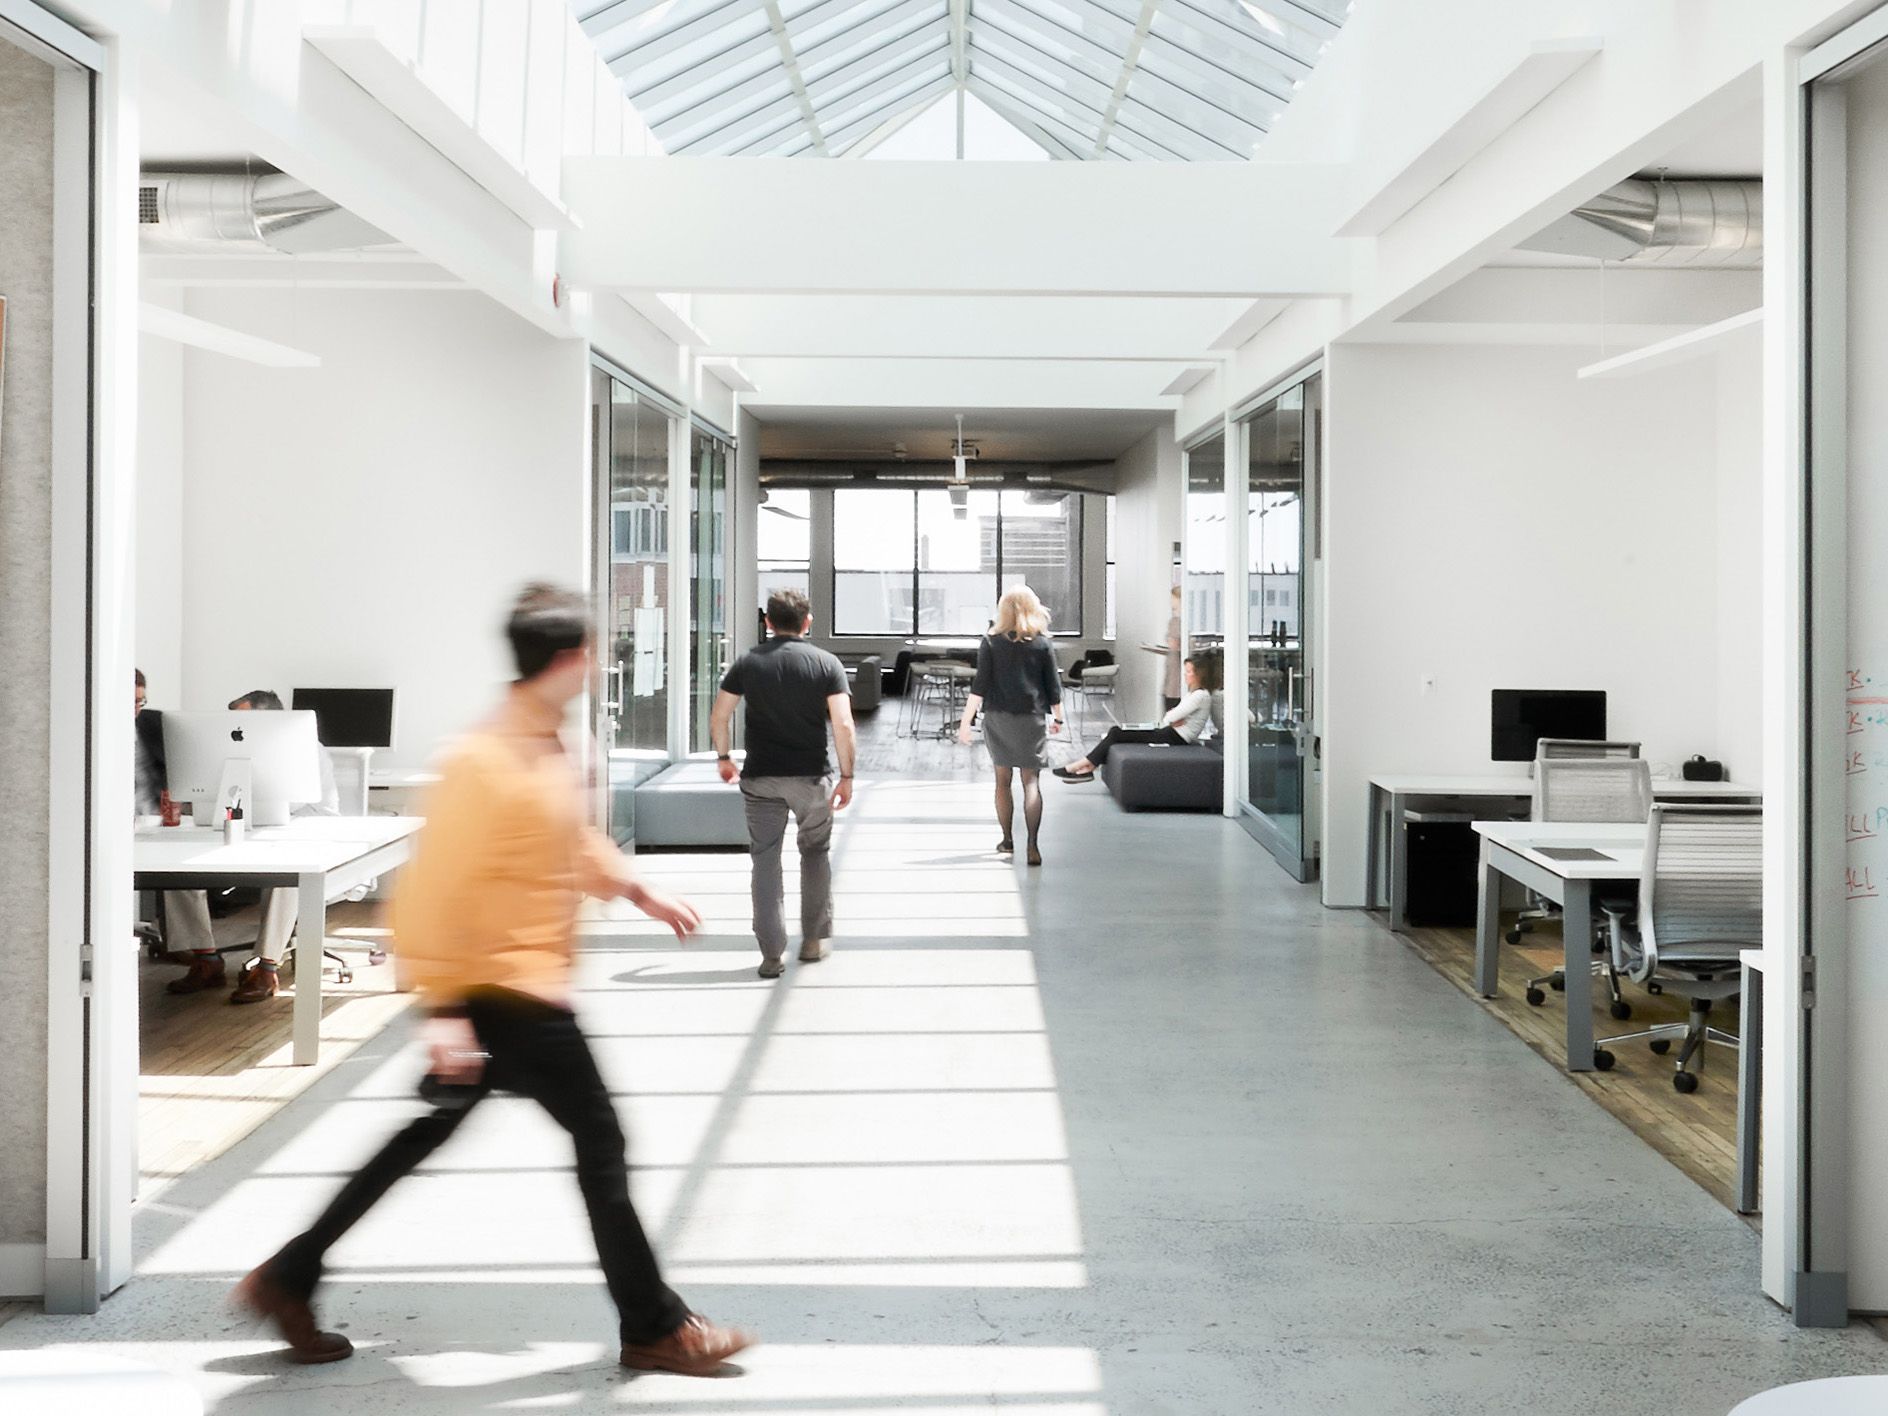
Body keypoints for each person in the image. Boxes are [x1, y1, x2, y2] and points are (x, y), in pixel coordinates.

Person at [236, 584, 751, 1376]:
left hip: (517, 988)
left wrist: (636, 888)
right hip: (504, 995)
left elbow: (566, 843)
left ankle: (289, 1275)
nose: (597, 665)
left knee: (420, 1138)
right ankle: (655, 1325)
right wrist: (443, 1009)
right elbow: (431, 889)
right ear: (569, 658)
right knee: (601, 1140)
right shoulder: (482, 757)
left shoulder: (544, 742)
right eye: (592, 652)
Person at [711, 588, 856, 980]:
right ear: (807, 622)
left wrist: (724, 758)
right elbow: (843, 724)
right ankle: (813, 940)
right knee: (815, 852)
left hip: (761, 778)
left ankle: (771, 954)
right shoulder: (826, 664)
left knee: (765, 859)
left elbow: (719, 716)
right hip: (811, 778)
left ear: (768, 622)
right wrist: (846, 775)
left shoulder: (748, 663)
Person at [216, 689, 342, 1005]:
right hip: (254, 830)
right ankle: (203, 957)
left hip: (308, 829)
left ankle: (267, 966)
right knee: (175, 870)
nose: (237, 730)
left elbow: (290, 801)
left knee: (289, 873)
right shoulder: (231, 750)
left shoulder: (305, 749)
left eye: (244, 722)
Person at [957, 587, 1063, 865]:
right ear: (1033, 608)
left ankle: (1007, 840)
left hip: (998, 718)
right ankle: (1033, 846)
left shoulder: (991, 642)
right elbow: (1054, 687)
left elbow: (979, 686)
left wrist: (965, 722)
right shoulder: (1041, 643)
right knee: (1031, 783)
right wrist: (1059, 718)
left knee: (1002, 782)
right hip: (1032, 718)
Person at [135, 669, 221, 982]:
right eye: (129, 701)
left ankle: (205, 957)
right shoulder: (89, 728)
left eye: (141, 702)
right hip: (109, 823)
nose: (135, 709)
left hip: (160, 818)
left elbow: (188, 768)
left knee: (183, 871)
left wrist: (184, 804)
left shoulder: (155, 723)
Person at [1054, 654, 1216, 782]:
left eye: (1189, 672)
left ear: (1199, 675)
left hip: (1175, 737)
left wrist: (1174, 719)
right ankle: (1087, 767)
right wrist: (1174, 719)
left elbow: (1169, 717)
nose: (1185, 675)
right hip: (1171, 733)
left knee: (1117, 733)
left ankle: (1080, 766)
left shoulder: (1200, 696)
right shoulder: (1194, 694)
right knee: (1116, 731)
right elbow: (1172, 718)